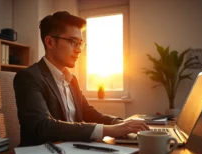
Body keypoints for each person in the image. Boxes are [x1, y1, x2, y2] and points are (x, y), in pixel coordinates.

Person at [13, 11, 149, 146]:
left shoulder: (71, 79)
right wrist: (110, 130)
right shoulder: (29, 78)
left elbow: (88, 113)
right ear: (50, 42)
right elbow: (43, 126)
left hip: (73, 150)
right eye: (73, 42)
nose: (79, 50)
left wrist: (119, 123)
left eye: (80, 43)